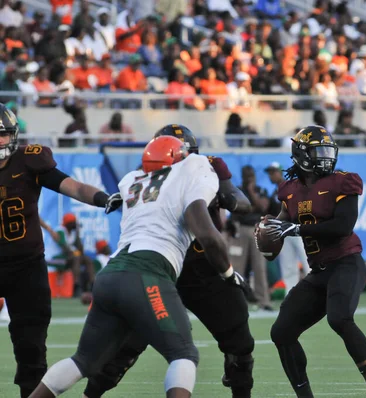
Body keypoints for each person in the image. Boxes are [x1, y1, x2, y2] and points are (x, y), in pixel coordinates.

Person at [29, 135, 244, 398]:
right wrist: (229, 274)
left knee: (82, 360)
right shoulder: (193, 169)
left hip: (110, 275)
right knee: (184, 355)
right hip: (147, 272)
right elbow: (209, 236)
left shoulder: (133, 180)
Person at [84, 125, 256, 398]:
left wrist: (224, 197)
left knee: (240, 345)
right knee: (123, 350)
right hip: (157, 269)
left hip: (201, 269)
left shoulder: (205, 168)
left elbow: (241, 202)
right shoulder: (143, 176)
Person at [0, 102, 122, 397]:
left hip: (25, 266)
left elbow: (72, 186)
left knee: (31, 346)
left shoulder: (29, 160)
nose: (0, 140)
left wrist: (102, 197)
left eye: (3, 134)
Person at [261, 126, 366, 398]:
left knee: (339, 318)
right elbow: (282, 219)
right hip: (319, 272)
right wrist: (270, 228)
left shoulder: (343, 182)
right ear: (302, 154)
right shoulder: (290, 190)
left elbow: (343, 226)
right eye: (319, 151)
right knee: (281, 331)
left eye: (328, 150)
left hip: (346, 263)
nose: (326, 157)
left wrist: (295, 229)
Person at [229, 165, 273, 310]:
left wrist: (251, 191)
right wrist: (251, 207)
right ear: (242, 176)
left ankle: (263, 301)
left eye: (250, 175)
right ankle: (236, 300)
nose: (248, 178)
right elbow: (236, 209)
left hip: (257, 229)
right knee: (237, 267)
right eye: (246, 175)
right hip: (240, 230)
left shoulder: (260, 190)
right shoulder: (237, 190)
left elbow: (263, 207)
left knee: (259, 267)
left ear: (254, 175)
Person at [265, 161, 309, 295]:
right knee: (288, 266)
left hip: (296, 229)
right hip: (283, 232)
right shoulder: (274, 193)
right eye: (270, 173)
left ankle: (315, 293)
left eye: (273, 172)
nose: (271, 176)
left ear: (280, 172)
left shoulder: (291, 187)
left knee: (308, 261)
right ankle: (291, 296)